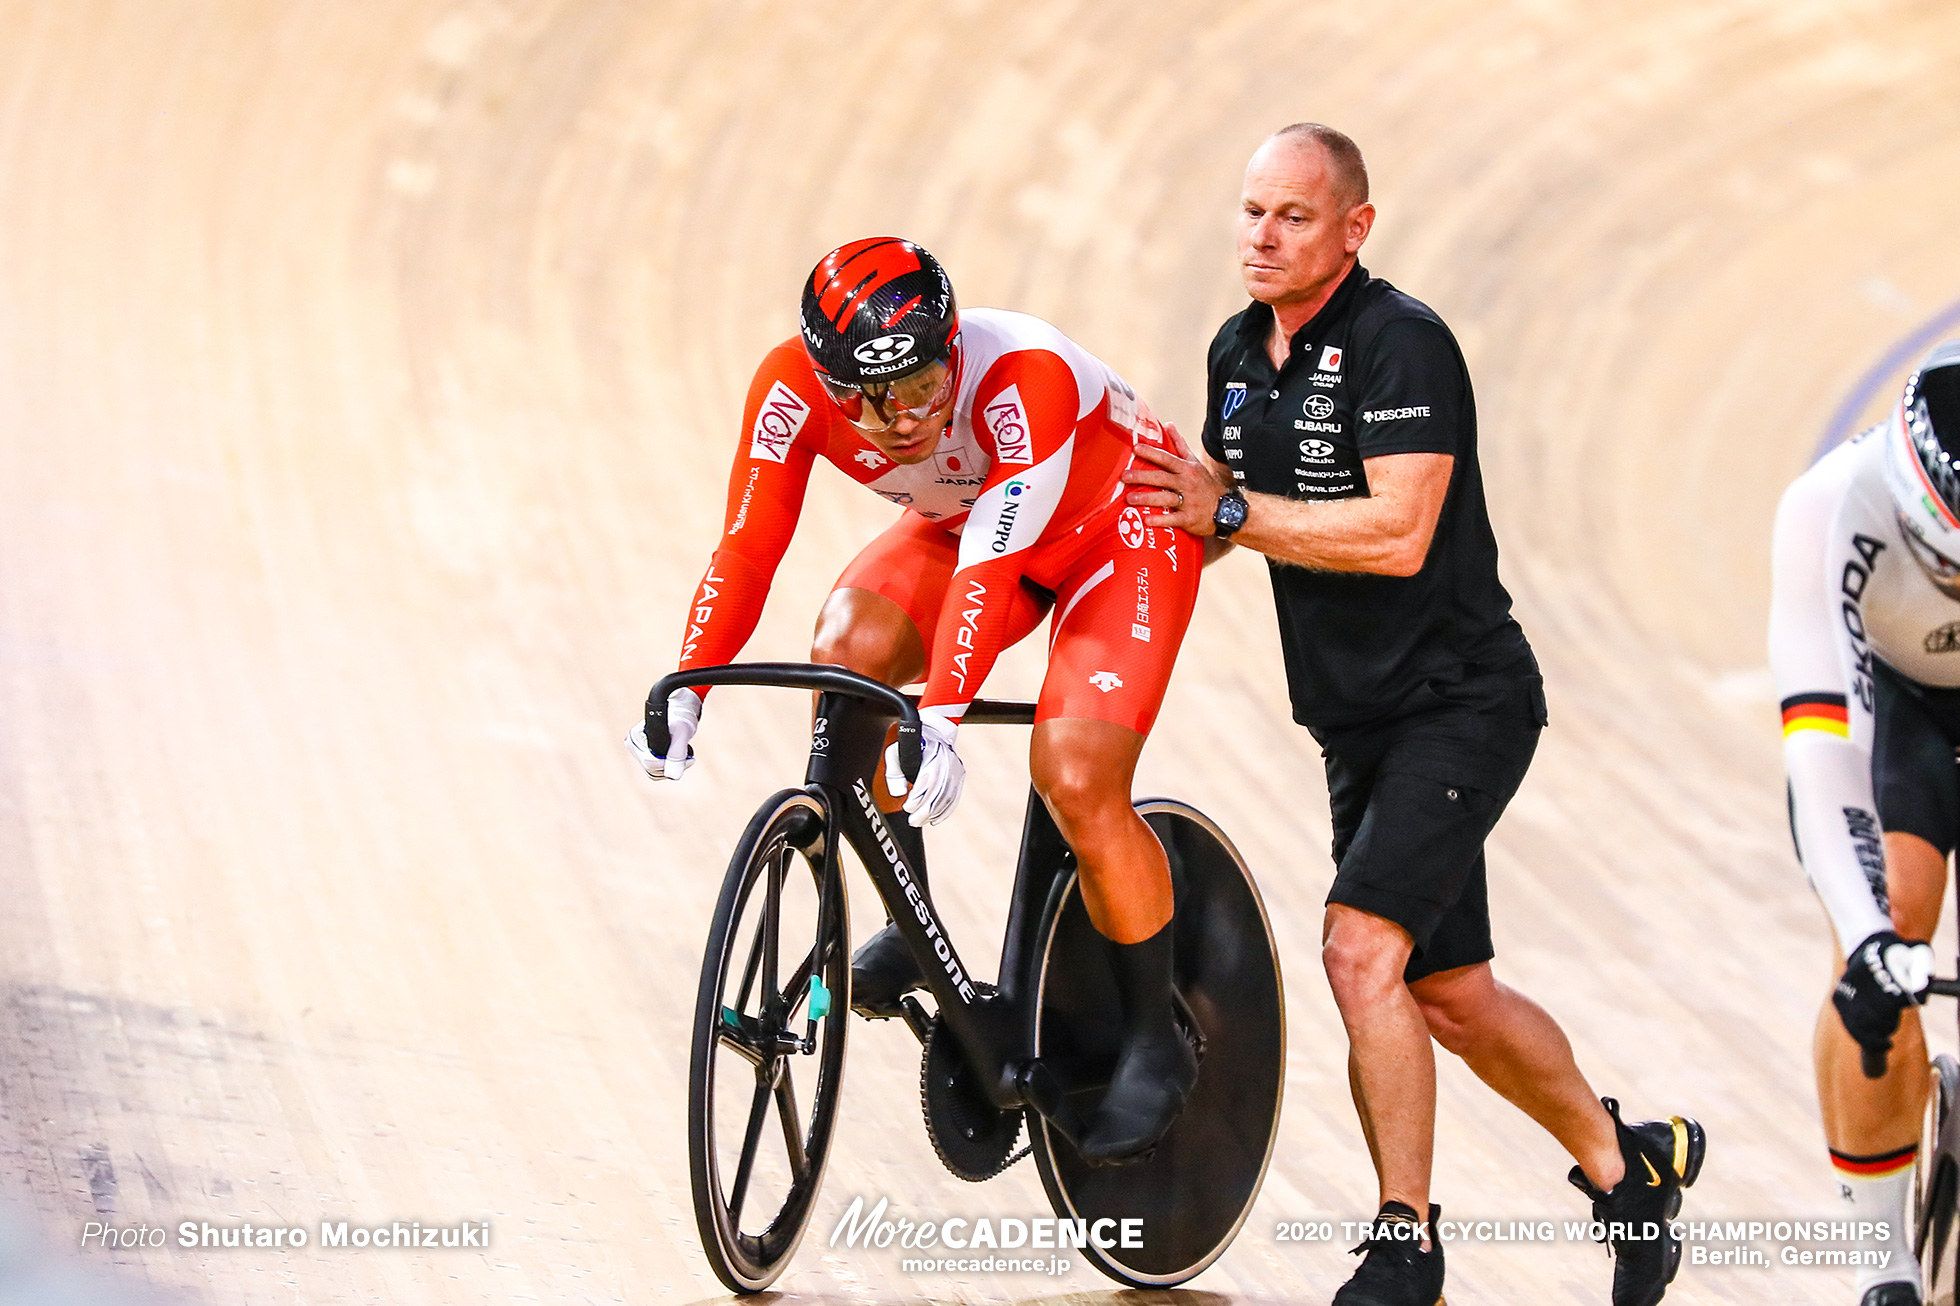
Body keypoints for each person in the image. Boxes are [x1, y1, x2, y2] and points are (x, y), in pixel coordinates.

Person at [1122, 123, 1705, 1306]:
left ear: (1354, 227)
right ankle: (1628, 1170)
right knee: (1449, 992)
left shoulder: (1404, 346)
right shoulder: (1236, 352)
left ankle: (1406, 1243)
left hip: (1462, 703)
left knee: (1357, 950)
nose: (1262, 235)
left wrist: (1229, 515)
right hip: (1354, 723)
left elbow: (1395, 534)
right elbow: (1221, 517)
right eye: (1250, 212)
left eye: (1292, 215)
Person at [629, 237, 1204, 1161]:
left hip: (1119, 532)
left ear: (952, 345)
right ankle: (912, 923)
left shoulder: (1026, 377)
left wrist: (938, 716)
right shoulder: (788, 390)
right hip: (970, 526)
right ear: (824, 381)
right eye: (868, 397)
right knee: (846, 656)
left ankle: (1154, 1040)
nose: (902, 418)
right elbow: (747, 545)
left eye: (925, 384)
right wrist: (690, 680)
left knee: (1075, 772)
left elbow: (993, 564)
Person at [1767, 342, 1960, 1306]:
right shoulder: (1827, 507)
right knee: (1877, 952)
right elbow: (1821, 749)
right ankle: (1883, 1266)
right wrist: (1875, 935)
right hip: (1898, 714)